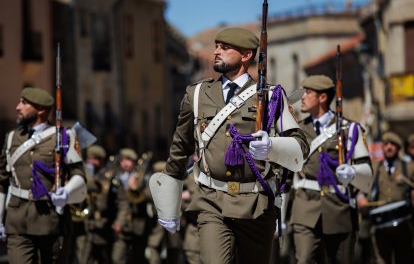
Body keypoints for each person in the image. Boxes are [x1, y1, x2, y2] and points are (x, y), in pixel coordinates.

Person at [150, 27, 309, 264]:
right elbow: (180, 148)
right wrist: (168, 204)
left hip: (256, 204)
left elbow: (300, 147)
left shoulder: (272, 96)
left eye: (224, 48)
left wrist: (272, 146)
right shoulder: (197, 94)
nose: (216, 52)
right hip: (211, 201)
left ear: (246, 55)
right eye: (216, 46)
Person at [290, 75, 373, 264]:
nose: (302, 97)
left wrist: (353, 173)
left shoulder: (349, 129)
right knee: (304, 259)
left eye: (308, 93)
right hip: (305, 206)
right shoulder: (297, 130)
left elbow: (366, 170)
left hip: (339, 208)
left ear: (322, 98)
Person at [0, 87, 87, 263]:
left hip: (52, 222)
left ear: (40, 110)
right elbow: (1, 181)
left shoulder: (64, 137)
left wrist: (67, 193)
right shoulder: (11, 138)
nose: (18, 107)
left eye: (24, 103)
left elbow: (79, 175)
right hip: (17, 223)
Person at [359, 132, 414, 264]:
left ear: (398, 148)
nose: (389, 147)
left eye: (392, 145)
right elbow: (361, 187)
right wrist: (361, 198)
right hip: (380, 226)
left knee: (404, 259)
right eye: (386, 144)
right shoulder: (374, 167)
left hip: (403, 224)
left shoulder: (409, 167)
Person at [112, 148, 153, 264]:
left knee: (138, 258)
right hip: (123, 225)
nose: (125, 163)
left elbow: (151, 195)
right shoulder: (116, 177)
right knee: (117, 258)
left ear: (134, 162)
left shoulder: (143, 176)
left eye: (128, 160)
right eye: (122, 160)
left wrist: (137, 188)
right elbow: (120, 202)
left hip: (139, 225)